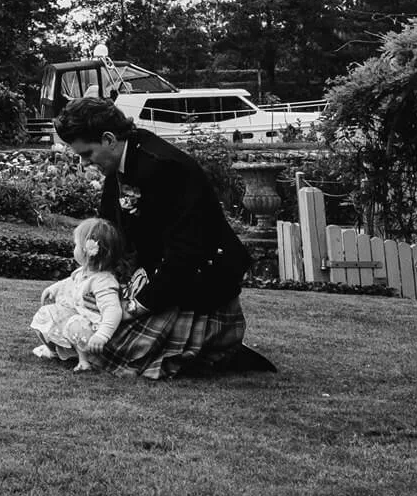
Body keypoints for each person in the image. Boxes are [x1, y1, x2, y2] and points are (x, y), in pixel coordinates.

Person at [55, 96, 270, 379]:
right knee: (75, 326)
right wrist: (80, 281)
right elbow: (109, 234)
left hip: (198, 283)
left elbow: (186, 252)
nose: (84, 163)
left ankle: (213, 345)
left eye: (87, 154)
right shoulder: (121, 162)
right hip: (156, 277)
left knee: (112, 349)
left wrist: (135, 307)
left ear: (109, 139)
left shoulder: (165, 168)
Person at [30, 217, 127, 371]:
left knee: (75, 322)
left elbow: (112, 310)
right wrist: (53, 289)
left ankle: (85, 361)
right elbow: (70, 281)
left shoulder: (104, 281)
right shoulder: (82, 272)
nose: (74, 248)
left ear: (88, 252)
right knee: (46, 313)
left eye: (76, 244)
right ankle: (55, 350)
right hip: (78, 319)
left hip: (93, 330)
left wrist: (102, 335)